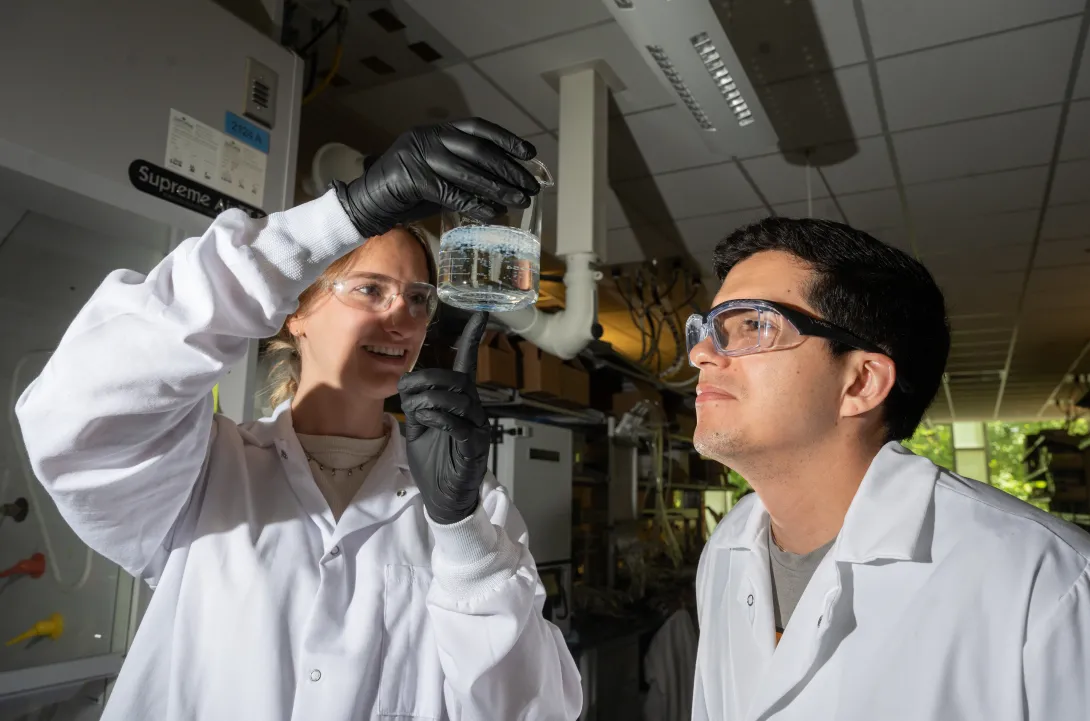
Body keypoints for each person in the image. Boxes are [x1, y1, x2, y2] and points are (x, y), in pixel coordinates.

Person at [15, 119, 582, 720]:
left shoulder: (471, 504)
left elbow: (536, 710)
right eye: (370, 289)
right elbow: (76, 411)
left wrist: (461, 535)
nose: (403, 319)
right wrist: (342, 218)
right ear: (295, 314)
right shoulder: (202, 472)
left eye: (418, 299)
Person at [686, 218, 1090, 720]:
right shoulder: (726, 548)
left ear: (861, 382)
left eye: (754, 324)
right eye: (708, 331)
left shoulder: (1048, 579)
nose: (702, 353)